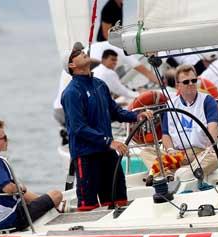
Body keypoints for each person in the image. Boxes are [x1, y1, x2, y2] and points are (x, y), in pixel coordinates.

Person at [61, 43, 153, 211]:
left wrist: (136, 115)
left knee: (118, 198)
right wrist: (109, 141)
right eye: (76, 53)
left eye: (82, 50)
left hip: (106, 152)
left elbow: (115, 112)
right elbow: (77, 128)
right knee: (88, 206)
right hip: (86, 155)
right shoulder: (71, 93)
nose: (82, 52)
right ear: (71, 65)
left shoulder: (100, 85)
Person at [0, 121, 63, 232]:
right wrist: (21, 187)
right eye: (4, 137)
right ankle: (57, 207)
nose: (7, 140)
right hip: (9, 218)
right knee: (56, 195)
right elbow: (8, 189)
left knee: (23, 194)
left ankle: (53, 206)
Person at [140, 64, 218, 183]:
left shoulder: (207, 101)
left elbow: (213, 127)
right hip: (177, 154)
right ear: (178, 85)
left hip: (200, 152)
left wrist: (209, 147)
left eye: (194, 80)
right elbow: (166, 134)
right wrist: (171, 149)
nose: (191, 84)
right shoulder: (170, 104)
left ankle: (170, 173)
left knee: (214, 158)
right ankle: (171, 173)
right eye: (186, 82)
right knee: (146, 152)